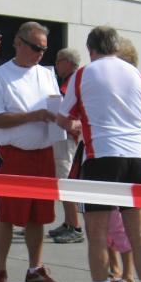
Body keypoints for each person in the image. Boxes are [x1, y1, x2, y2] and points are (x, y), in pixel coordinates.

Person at [58, 26, 141, 282]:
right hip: (137, 158)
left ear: (91, 50)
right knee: (138, 232)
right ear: (116, 46)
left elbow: (64, 118)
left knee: (97, 234)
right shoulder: (138, 74)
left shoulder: (83, 74)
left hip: (101, 155)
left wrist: (79, 125)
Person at [0, 21, 64, 282]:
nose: (40, 53)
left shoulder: (47, 74)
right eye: (36, 48)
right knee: (6, 215)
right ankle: (0, 271)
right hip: (13, 155)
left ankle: (35, 268)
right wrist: (32, 116)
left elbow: (56, 110)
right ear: (18, 43)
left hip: (43, 153)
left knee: (38, 217)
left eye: (44, 49)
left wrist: (69, 124)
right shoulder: (0, 75)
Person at [48, 47, 85, 244]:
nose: (56, 65)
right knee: (62, 180)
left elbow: (70, 111)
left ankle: (75, 226)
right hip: (65, 136)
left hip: (67, 138)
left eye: (59, 60)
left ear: (68, 63)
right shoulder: (71, 81)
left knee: (65, 181)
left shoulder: (72, 83)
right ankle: (69, 223)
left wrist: (75, 124)